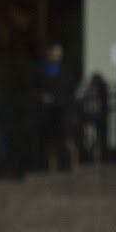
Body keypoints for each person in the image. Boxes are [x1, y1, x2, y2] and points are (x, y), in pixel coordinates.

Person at [35, 43, 79, 172]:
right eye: (56, 52)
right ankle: (52, 168)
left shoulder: (65, 70)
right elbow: (35, 89)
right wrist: (41, 97)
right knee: (50, 141)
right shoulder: (41, 70)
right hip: (48, 111)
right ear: (49, 53)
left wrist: (72, 112)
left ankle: (74, 165)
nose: (58, 55)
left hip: (63, 109)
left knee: (68, 139)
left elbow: (71, 92)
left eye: (60, 52)